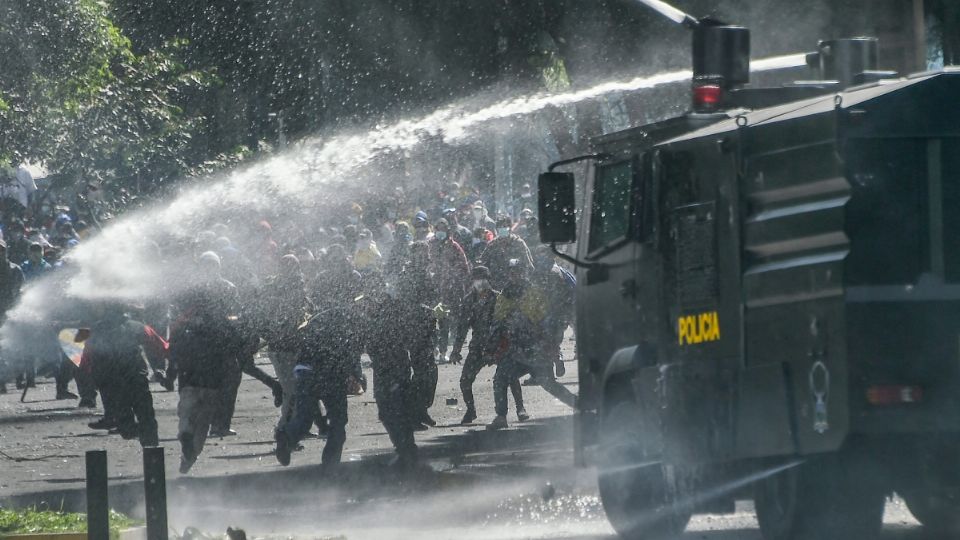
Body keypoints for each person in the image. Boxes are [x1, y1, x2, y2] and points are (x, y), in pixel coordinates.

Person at [169, 252, 244, 473]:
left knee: (188, 408)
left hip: (192, 364)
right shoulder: (227, 289)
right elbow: (236, 322)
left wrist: (172, 364)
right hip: (213, 364)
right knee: (203, 416)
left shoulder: (191, 292)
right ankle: (189, 454)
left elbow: (177, 327)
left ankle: (185, 440)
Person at [80, 303, 167, 447]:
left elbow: (85, 357)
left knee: (126, 424)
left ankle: (148, 444)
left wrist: (90, 376)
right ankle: (152, 450)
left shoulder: (94, 330)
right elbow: (160, 346)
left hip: (113, 382)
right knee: (145, 417)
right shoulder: (138, 326)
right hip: (133, 379)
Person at [450, 266, 524, 425]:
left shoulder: (499, 298)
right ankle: (471, 411)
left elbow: (509, 323)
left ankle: (520, 408)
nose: (480, 282)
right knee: (465, 380)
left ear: (489, 280)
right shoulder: (469, 301)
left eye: (483, 278)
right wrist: (456, 350)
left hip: (499, 345)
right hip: (478, 347)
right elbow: (462, 327)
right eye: (477, 278)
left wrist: (509, 343)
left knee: (510, 376)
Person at [361, 276, 419, 468]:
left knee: (394, 408)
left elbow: (403, 336)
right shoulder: (377, 312)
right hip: (384, 367)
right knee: (388, 411)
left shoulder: (391, 311)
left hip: (395, 366)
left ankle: (406, 449)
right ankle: (405, 448)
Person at [486, 259, 550, 430]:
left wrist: (551, 347)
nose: (515, 275)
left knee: (549, 384)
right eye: (512, 272)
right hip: (512, 348)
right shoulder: (504, 294)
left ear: (524, 272)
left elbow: (544, 321)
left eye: (518, 271)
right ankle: (501, 416)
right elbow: (498, 322)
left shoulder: (534, 292)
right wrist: (493, 347)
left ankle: (580, 406)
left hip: (533, 348)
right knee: (500, 379)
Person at [260, 254, 312, 426]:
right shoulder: (281, 289)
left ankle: (295, 426)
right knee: (292, 391)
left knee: (296, 390)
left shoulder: (291, 287)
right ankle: (285, 429)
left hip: (291, 346)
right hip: (283, 347)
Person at [398, 242, 440, 429]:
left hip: (427, 330)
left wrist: (437, 309)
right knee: (422, 374)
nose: (423, 258)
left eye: (425, 254)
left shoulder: (426, 274)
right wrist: (429, 310)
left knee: (431, 372)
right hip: (413, 331)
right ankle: (413, 414)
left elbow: (433, 297)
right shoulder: (408, 276)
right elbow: (408, 305)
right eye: (419, 254)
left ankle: (422, 410)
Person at [429, 218, 470, 363]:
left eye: (443, 229)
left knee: (444, 322)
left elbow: (464, 267)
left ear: (447, 231)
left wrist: (452, 277)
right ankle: (433, 350)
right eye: (438, 229)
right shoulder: (430, 245)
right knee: (431, 322)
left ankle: (443, 351)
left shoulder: (454, 247)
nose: (440, 232)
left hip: (448, 291)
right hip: (432, 290)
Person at [478, 216, 534, 291]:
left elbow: (529, 266)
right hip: (496, 287)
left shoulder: (518, 244)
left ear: (510, 229)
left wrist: (519, 277)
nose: (503, 230)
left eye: (505, 227)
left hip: (516, 288)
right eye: (500, 227)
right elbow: (482, 265)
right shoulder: (492, 245)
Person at [0, 240, 24, 394]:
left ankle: (19, 378)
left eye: (1, 250)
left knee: (14, 347)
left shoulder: (15, 270)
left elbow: (21, 290)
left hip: (11, 312)